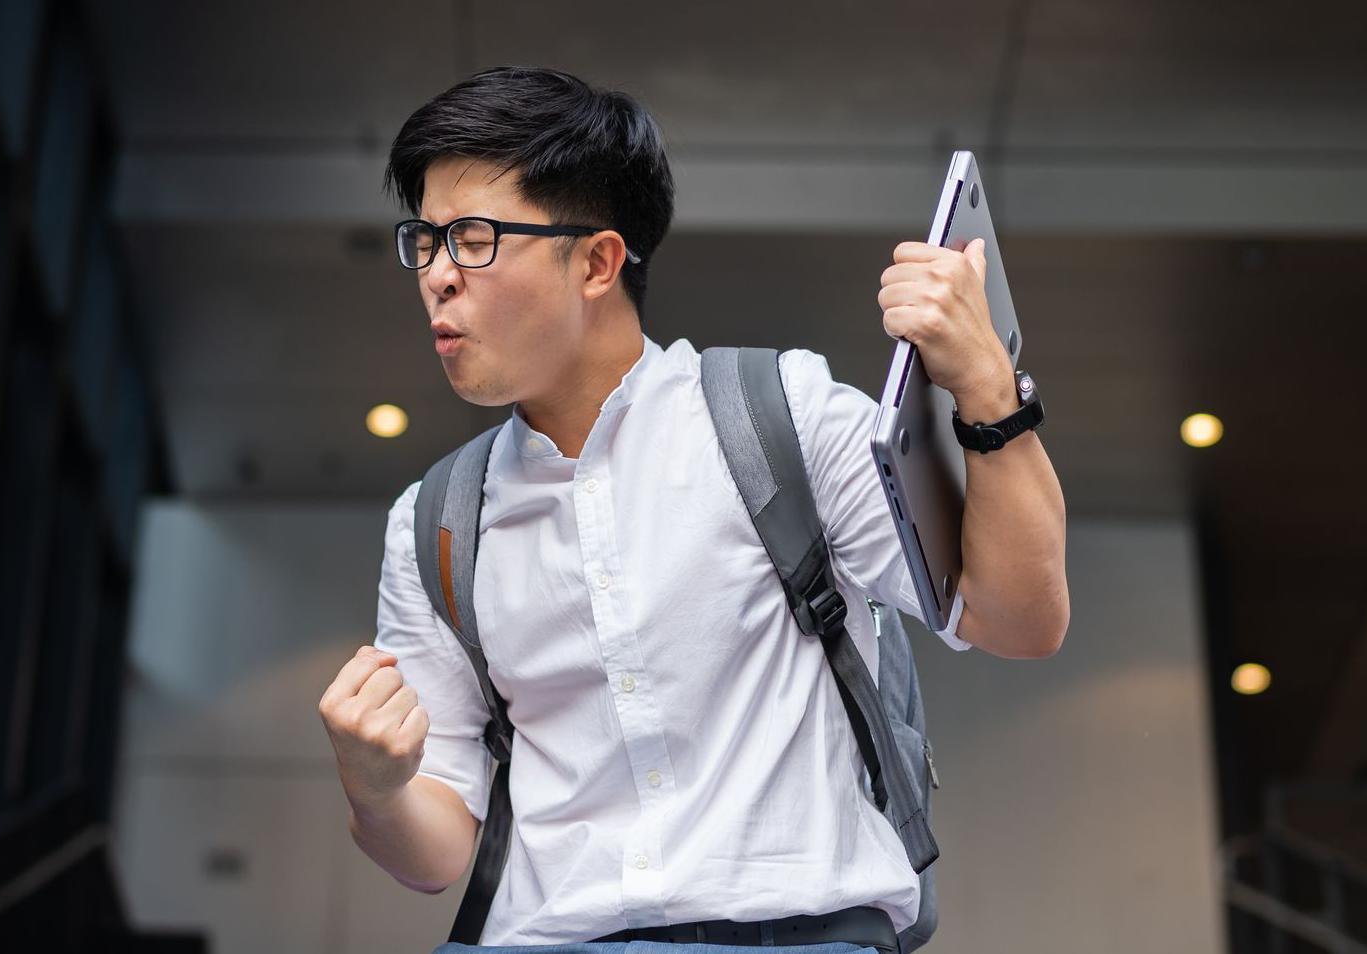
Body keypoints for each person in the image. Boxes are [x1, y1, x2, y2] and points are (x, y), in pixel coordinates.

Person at [318, 66, 1070, 953]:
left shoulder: (774, 415)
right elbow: (435, 852)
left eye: (473, 238)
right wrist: (375, 788)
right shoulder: (436, 521)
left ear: (597, 260)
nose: (437, 276)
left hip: (798, 936)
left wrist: (985, 386)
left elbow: (1018, 619)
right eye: (425, 240)